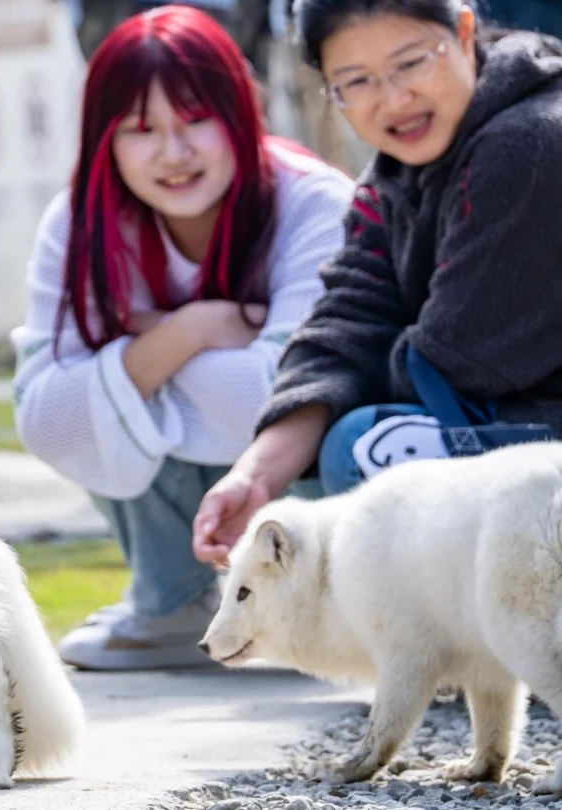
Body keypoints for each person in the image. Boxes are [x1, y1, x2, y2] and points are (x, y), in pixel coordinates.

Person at [9, 4, 355, 670]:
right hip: (187, 467)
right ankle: (171, 605)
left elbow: (280, 395)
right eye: (141, 130)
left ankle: (311, 616)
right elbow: (46, 417)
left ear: (241, 114)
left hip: (306, 494)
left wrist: (125, 364)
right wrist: (192, 330)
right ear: (105, 138)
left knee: (122, 401)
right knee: (102, 413)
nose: (173, 153)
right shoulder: (80, 223)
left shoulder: (314, 204)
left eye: (196, 119)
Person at [192, 0, 562, 566]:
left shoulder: (528, 141)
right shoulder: (394, 170)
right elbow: (352, 310)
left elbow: (457, 359)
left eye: (411, 63)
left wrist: (346, 381)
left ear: (465, 33)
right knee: (334, 443)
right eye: (356, 81)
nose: (392, 99)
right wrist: (256, 475)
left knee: (369, 447)